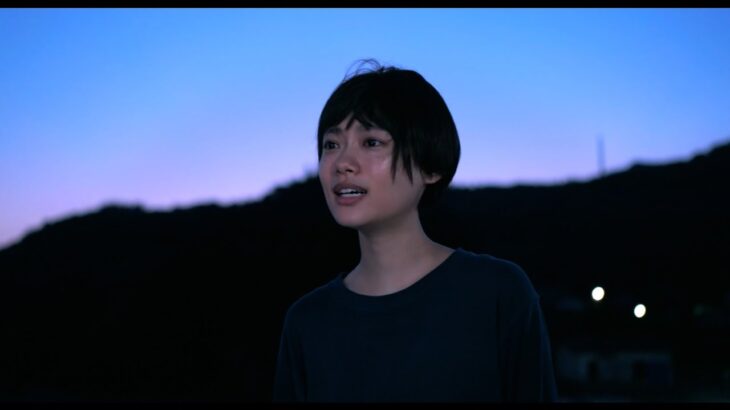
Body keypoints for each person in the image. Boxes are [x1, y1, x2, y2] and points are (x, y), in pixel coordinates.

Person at [273, 60, 558, 402]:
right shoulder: (307, 322)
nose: (343, 163)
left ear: (430, 166)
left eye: (371, 142)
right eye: (331, 145)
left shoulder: (497, 293)